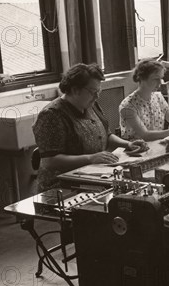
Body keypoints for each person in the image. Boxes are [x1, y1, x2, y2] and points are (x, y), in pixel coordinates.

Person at [32, 63, 145, 191]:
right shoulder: (52, 115)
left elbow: (106, 135)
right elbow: (50, 161)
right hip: (60, 186)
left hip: (90, 175)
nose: (97, 96)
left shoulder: (90, 105)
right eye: (93, 92)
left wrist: (128, 145)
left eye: (98, 91)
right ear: (75, 90)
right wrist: (91, 158)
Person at [119, 60, 169, 141]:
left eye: (161, 78)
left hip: (157, 145)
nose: (160, 83)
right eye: (155, 79)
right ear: (142, 78)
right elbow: (145, 135)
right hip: (136, 150)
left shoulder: (158, 97)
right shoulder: (128, 106)